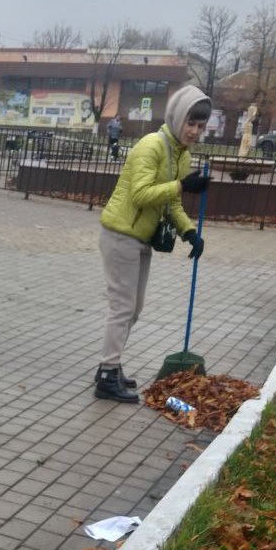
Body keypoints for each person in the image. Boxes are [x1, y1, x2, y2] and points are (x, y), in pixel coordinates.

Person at [94, 86, 212, 402]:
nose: (195, 131)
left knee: (135, 307)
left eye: (201, 126)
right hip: (121, 234)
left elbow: (171, 203)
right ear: (176, 117)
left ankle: (112, 364)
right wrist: (181, 185)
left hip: (140, 237)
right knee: (123, 306)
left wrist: (189, 232)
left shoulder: (180, 155)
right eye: (191, 123)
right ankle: (107, 375)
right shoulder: (151, 146)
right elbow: (140, 194)